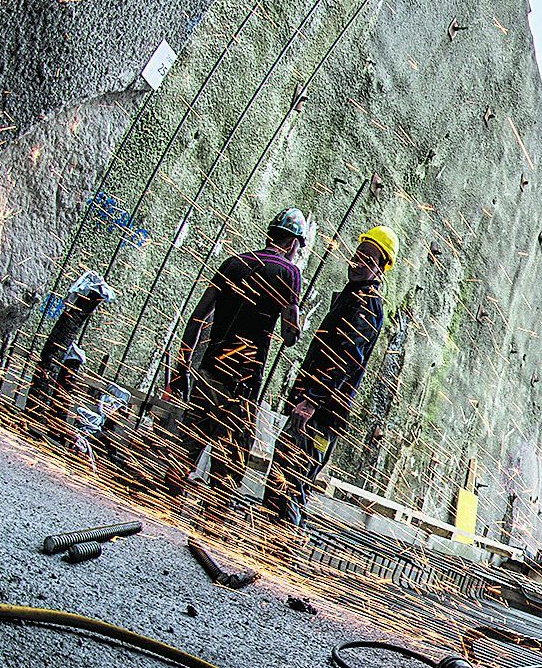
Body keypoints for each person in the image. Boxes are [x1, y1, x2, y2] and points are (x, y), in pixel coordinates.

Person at [164, 208, 307, 505]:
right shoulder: (290, 272)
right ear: (293, 243)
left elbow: (197, 317)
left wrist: (182, 365)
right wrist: (297, 325)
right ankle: (213, 519)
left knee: (185, 449)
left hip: (209, 373)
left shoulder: (233, 262)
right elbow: (290, 335)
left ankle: (163, 504)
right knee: (229, 465)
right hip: (243, 383)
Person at [263, 226, 397, 527]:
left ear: (381, 268)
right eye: (358, 255)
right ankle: (274, 543)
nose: (358, 262)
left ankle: (283, 546)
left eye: (368, 260)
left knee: (290, 482)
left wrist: (312, 400)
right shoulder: (354, 296)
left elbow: (346, 358)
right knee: (284, 479)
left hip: (321, 413)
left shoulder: (366, 303)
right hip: (319, 409)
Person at [24, 270, 116, 435]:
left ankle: (43, 419)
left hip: (63, 340)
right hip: (61, 343)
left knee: (50, 367)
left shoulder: (79, 310)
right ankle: (40, 417)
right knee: (49, 367)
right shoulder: (76, 311)